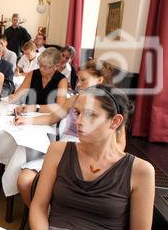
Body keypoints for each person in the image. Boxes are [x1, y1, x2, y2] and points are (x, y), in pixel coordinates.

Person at [30, 84, 154, 230]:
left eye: (91, 115)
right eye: (78, 113)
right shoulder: (58, 151)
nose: (79, 122)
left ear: (115, 121)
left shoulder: (140, 171)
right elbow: (38, 207)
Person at [15, 59, 116, 206]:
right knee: (24, 180)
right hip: (61, 152)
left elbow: (119, 145)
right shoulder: (74, 99)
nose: (78, 84)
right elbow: (51, 118)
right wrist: (25, 121)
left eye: (83, 80)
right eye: (78, 80)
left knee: (64, 189)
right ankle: (42, 216)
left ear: (99, 80)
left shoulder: (110, 109)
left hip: (88, 157)